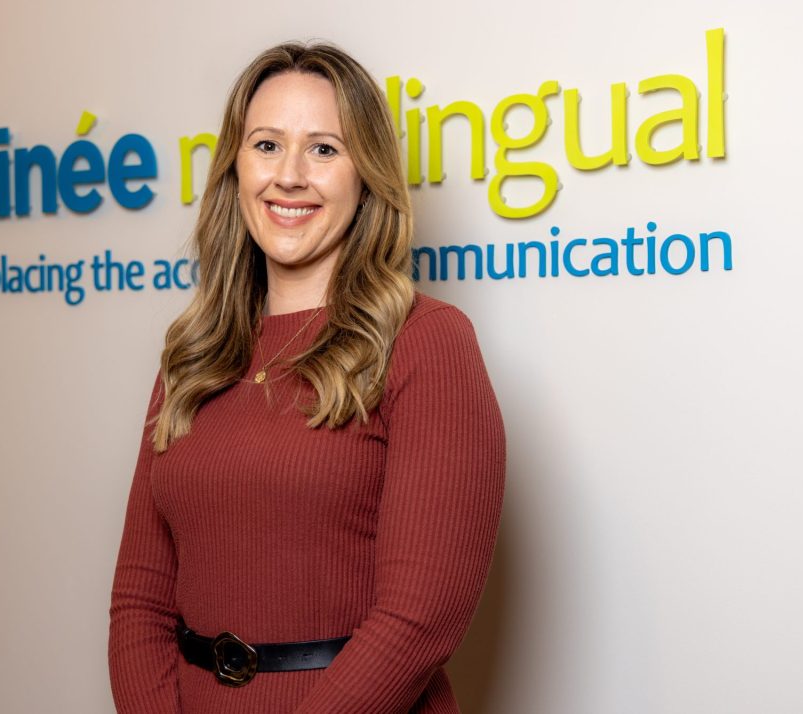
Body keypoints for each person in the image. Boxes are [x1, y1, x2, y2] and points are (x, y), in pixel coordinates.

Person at [108, 41, 505, 714]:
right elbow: (139, 600)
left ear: (366, 175)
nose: (289, 176)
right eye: (266, 145)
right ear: (235, 168)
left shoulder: (427, 341)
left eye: (323, 149)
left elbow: (420, 620)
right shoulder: (196, 351)